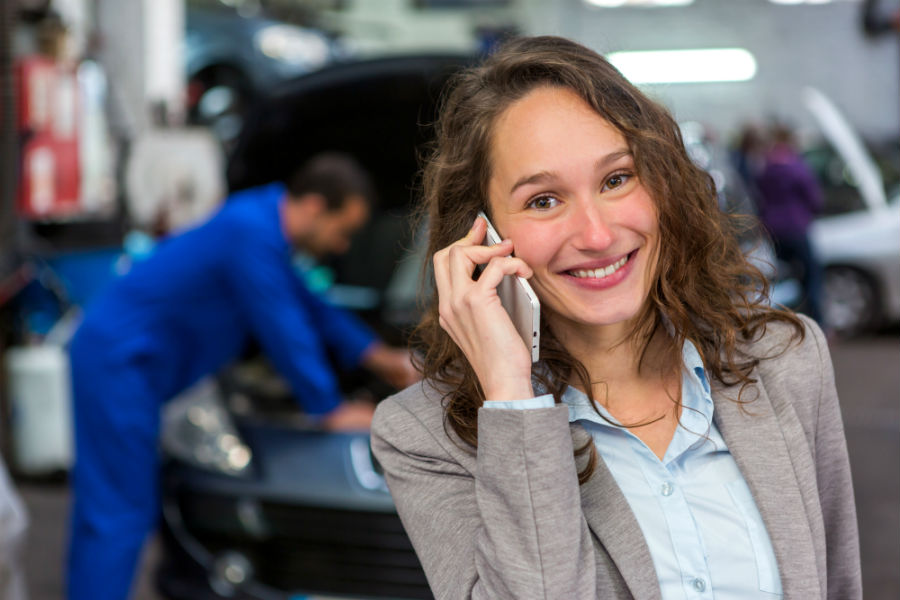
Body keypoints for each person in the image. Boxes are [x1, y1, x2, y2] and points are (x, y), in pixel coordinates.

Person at [371, 36, 861, 599]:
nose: (598, 236)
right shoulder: (425, 438)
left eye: (616, 179)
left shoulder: (785, 360)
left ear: (664, 185)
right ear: (481, 233)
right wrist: (512, 398)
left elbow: (837, 582)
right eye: (543, 200)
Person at [67, 152, 418, 600]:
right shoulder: (250, 233)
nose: (343, 246)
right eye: (343, 231)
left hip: (124, 362)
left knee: (105, 507)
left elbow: (310, 306)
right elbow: (283, 326)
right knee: (120, 511)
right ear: (313, 206)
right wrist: (327, 409)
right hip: (119, 364)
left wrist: (381, 358)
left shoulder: (261, 226)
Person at [754, 124, 827, 327]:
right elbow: (814, 198)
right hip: (796, 226)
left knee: (781, 277)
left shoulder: (766, 168)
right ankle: (816, 321)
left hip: (772, 228)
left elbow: (758, 196)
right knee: (811, 275)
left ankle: (782, 320)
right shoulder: (797, 167)